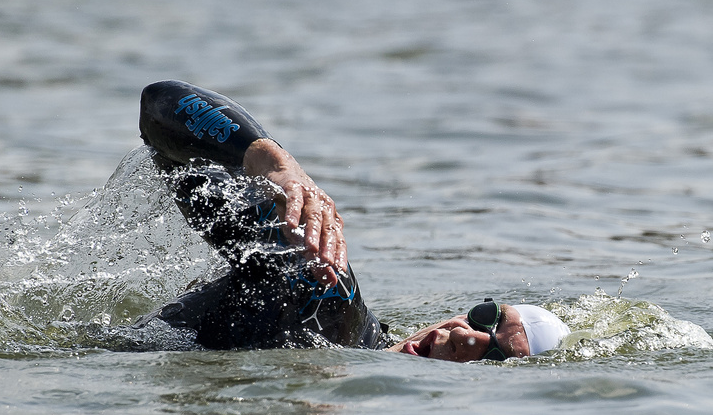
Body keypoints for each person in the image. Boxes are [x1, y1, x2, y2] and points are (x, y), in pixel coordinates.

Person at [132, 80, 569, 361]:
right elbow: (160, 103)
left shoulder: (342, 350)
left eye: (493, 358)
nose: (466, 338)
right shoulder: (326, 293)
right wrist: (274, 164)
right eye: (485, 317)